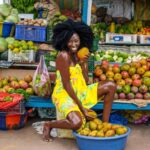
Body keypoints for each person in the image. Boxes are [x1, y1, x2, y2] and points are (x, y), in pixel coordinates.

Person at [43, 19, 116, 141]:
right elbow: (67, 86)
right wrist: (82, 109)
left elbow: (86, 80)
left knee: (111, 85)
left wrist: (83, 64)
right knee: (77, 123)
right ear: (64, 41)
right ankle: (48, 125)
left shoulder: (79, 54)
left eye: (76, 41)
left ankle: (104, 125)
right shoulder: (63, 56)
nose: (73, 44)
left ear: (81, 40)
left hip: (80, 90)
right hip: (65, 94)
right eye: (70, 41)